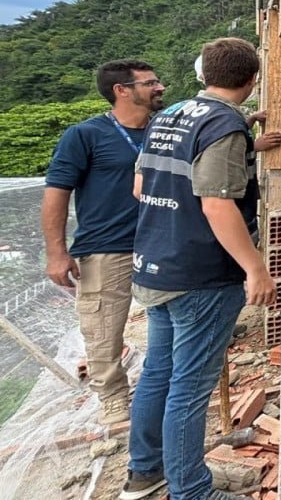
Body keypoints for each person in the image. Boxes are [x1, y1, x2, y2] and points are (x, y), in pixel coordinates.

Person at [122, 38, 276, 500]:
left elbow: (139, 188)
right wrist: (255, 267)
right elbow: (216, 204)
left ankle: (145, 472)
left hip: (156, 263)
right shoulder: (224, 125)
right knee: (189, 388)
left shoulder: (168, 117)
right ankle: (191, 491)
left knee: (159, 373)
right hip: (201, 274)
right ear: (253, 80)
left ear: (204, 74)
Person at [41, 60, 166, 425]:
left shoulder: (164, 129)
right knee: (103, 326)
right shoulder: (85, 135)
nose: (159, 87)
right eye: (150, 83)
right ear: (121, 90)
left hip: (161, 240)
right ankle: (113, 398)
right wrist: (56, 252)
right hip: (107, 246)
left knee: (170, 315)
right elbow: (56, 194)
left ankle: (166, 389)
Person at [193, 54, 281, 153]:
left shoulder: (196, 108)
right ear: (252, 80)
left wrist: (252, 118)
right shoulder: (222, 116)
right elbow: (221, 154)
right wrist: (254, 147)